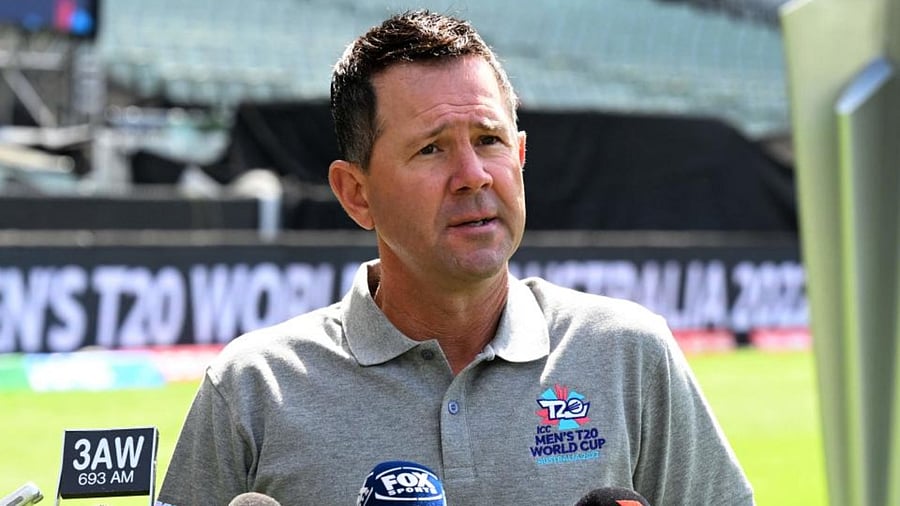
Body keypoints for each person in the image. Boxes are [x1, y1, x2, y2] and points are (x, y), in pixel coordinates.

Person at [157, 10, 754, 505]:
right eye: (432, 149)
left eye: (489, 141)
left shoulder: (629, 353)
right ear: (355, 194)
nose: (473, 176)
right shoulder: (254, 388)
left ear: (520, 156)